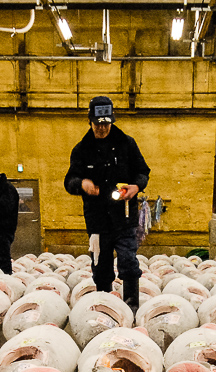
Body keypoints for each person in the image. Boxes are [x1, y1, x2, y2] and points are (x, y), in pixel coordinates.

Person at [64, 96, 151, 311]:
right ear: (89, 121)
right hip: (97, 222)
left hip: (124, 219)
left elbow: (143, 172)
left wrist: (136, 187)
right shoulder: (81, 150)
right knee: (101, 268)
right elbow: (69, 180)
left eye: (106, 123)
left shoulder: (127, 144)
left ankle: (132, 307)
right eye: (97, 124)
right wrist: (82, 183)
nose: (102, 128)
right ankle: (105, 306)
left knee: (129, 263)